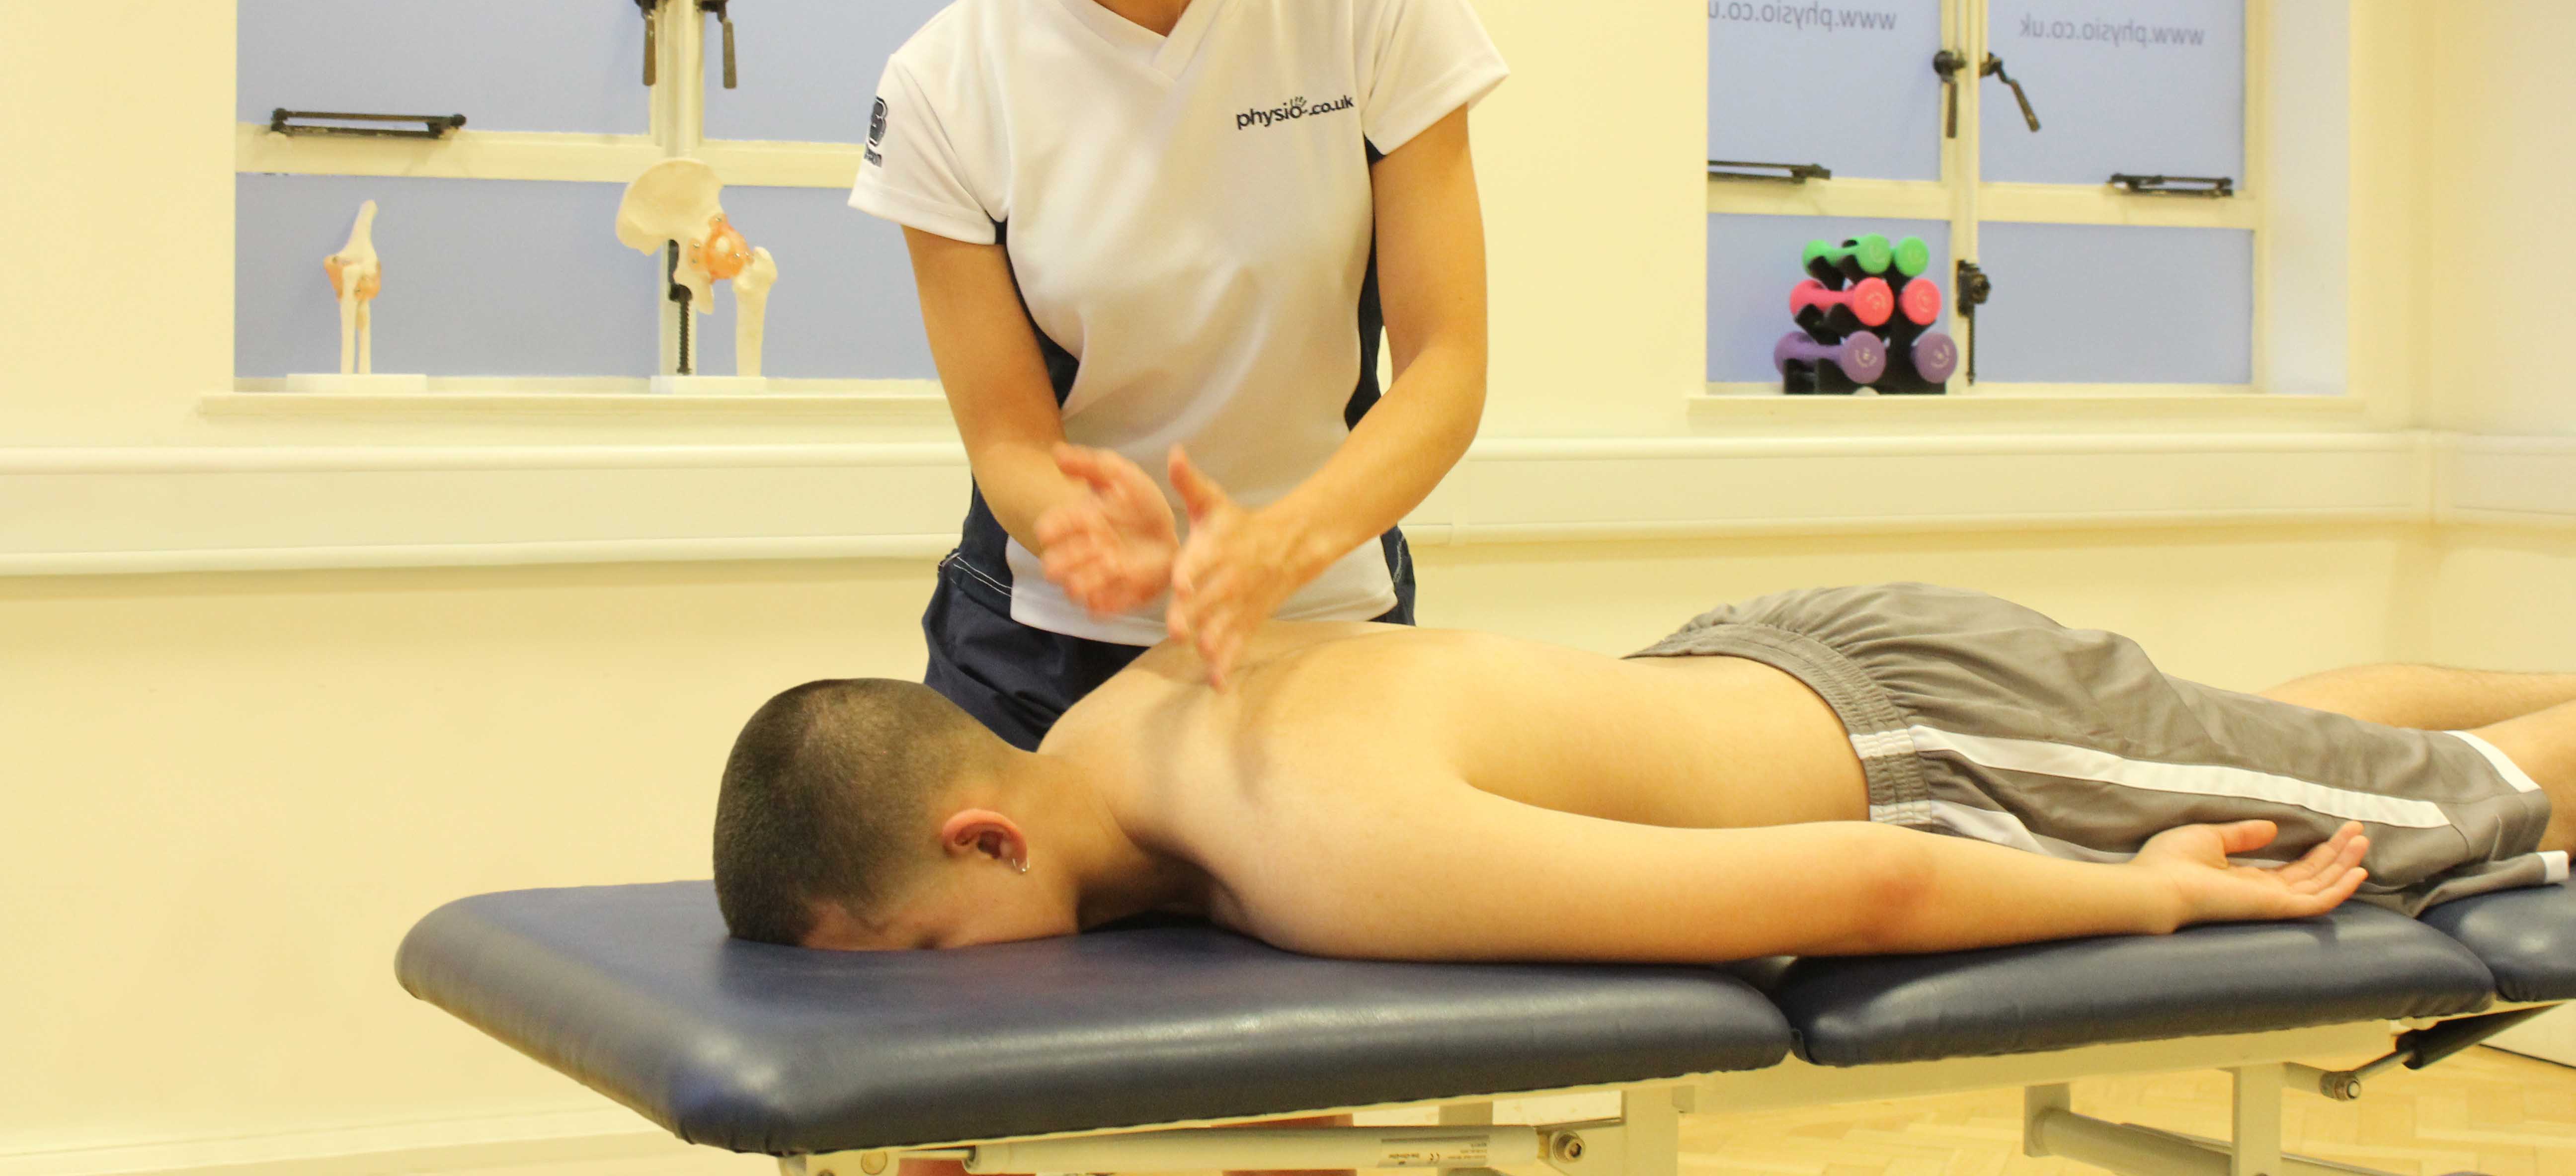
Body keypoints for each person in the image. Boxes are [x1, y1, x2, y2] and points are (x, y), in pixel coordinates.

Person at [847, 0, 1506, 752]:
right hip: (1038, 662)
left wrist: (1271, 547)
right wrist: (1078, 529)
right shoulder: (944, 83)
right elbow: (1007, 436)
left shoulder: (1372, 1)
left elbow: (1445, 373)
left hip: (1326, 627)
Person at [712, 583, 2576, 961]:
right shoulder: (1116, 713)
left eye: (938, 955)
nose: (970, 986)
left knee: (2463, 803)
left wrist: (2155, 889)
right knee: (2278, 725)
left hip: (1905, 749)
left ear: (975, 831)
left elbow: (1868, 888)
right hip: (1796, 669)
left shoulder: (1316, 842)